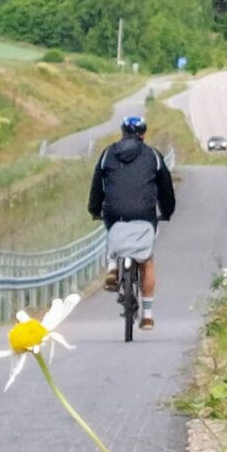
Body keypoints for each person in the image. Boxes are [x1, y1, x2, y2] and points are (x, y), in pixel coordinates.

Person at [88, 115, 175, 330]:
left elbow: (97, 186)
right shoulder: (153, 156)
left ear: (122, 132)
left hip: (114, 213)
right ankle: (147, 315)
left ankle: (112, 266)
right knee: (146, 260)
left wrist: (94, 210)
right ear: (143, 133)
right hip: (144, 214)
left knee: (112, 227)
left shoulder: (108, 153)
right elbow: (166, 188)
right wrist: (167, 211)